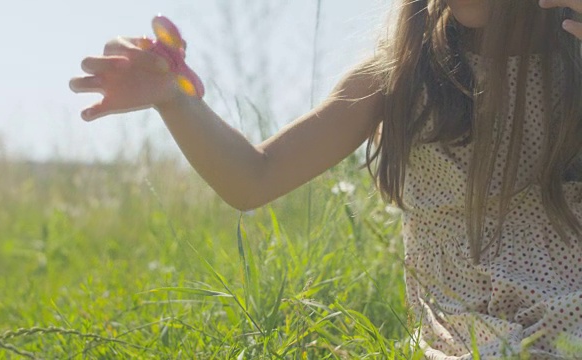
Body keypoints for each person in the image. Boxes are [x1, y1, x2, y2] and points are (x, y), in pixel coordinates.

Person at [70, 0, 582, 358]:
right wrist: (173, 100)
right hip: (461, 337)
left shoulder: (574, 63)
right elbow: (251, 178)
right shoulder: (398, 73)